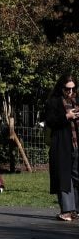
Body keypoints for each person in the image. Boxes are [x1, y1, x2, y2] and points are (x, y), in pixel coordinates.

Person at [44, 74, 79, 222]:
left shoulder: (77, 100)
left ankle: (76, 210)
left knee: (77, 177)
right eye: (67, 89)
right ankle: (66, 210)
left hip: (76, 144)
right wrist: (66, 116)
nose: (70, 92)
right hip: (62, 144)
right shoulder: (53, 102)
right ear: (61, 87)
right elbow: (50, 121)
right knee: (64, 177)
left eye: (73, 89)